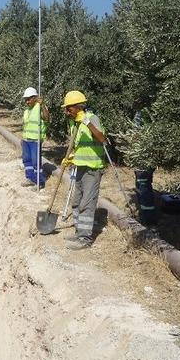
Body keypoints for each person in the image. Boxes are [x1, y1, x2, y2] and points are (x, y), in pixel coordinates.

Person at [61, 90, 107, 250]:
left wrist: (86, 122)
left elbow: (102, 139)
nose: (67, 112)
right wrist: (71, 158)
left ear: (79, 107)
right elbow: (81, 146)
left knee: (87, 203)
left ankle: (85, 239)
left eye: (69, 108)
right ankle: (79, 231)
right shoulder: (75, 123)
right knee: (76, 202)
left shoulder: (91, 118)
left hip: (93, 169)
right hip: (80, 167)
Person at [132, 109, 158, 225]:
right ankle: (144, 215)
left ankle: (148, 220)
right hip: (142, 160)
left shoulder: (143, 113)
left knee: (144, 189)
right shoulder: (144, 112)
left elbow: (136, 136)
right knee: (141, 186)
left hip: (143, 160)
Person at [20, 87, 49, 187]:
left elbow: (46, 118)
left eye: (29, 99)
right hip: (26, 140)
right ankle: (30, 178)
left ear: (35, 98)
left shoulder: (40, 107)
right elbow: (25, 125)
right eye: (25, 99)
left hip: (35, 140)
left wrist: (43, 105)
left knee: (36, 161)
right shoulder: (26, 111)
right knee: (27, 160)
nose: (27, 101)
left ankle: (39, 181)